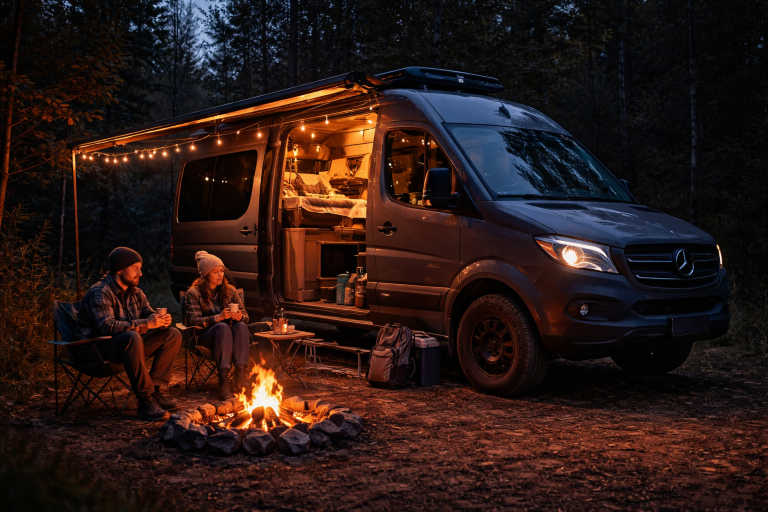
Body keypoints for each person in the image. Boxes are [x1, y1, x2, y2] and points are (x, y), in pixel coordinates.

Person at [74, 247, 182, 421]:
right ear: (119, 269)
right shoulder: (100, 292)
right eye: (135, 268)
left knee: (172, 334)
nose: (140, 273)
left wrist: (160, 321)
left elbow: (148, 314)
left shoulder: (136, 293)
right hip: (93, 352)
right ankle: (145, 400)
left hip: (125, 349)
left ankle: (154, 391)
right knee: (131, 336)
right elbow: (106, 327)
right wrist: (146, 324)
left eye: (140, 268)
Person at [185, 251, 250, 400]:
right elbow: (193, 321)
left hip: (230, 339)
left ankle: (240, 376)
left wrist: (241, 316)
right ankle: (224, 382)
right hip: (204, 338)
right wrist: (218, 318)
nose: (220, 275)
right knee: (222, 326)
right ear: (206, 274)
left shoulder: (231, 291)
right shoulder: (194, 293)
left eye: (221, 271)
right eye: (215, 272)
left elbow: (246, 317)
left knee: (240, 326)